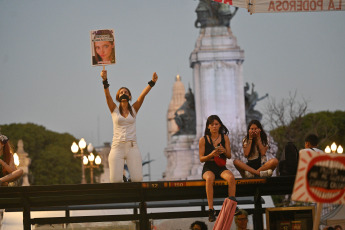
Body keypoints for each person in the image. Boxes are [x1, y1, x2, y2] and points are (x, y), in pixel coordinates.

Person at [100, 70, 158, 182]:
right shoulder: (114, 110)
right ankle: (121, 178)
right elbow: (107, 96)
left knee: (138, 179)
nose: (123, 93)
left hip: (132, 147)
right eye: (121, 92)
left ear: (129, 96)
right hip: (117, 147)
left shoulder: (134, 109)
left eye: (126, 92)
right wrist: (104, 80)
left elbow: (143, 95)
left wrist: (152, 82)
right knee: (115, 181)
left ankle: (130, 180)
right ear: (118, 97)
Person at [199, 115, 237, 222]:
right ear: (208, 127)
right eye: (212, 125)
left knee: (230, 177)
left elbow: (229, 155)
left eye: (216, 124)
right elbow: (201, 159)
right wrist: (211, 154)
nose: (214, 127)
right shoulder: (203, 140)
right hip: (209, 166)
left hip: (220, 166)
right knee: (210, 178)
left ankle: (231, 204)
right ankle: (211, 209)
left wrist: (223, 151)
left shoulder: (225, 138)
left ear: (220, 125)